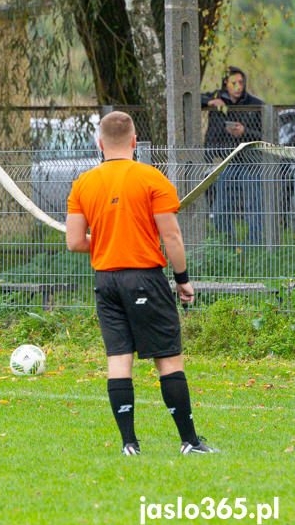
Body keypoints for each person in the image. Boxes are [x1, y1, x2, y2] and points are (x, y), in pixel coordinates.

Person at [66, 111, 218, 456]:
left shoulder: (83, 183)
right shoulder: (152, 178)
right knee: (168, 359)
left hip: (105, 282)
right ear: (134, 141)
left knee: (119, 361)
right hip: (144, 279)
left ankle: (129, 445)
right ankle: (190, 442)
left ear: (100, 143)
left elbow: (75, 241)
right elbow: (172, 237)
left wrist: (108, 238)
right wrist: (183, 281)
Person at [201, 66, 265, 244]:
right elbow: (191, 97)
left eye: (241, 83)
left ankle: (255, 249)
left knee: (254, 208)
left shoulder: (255, 104)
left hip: (251, 164)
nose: (238, 87)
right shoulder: (218, 97)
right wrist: (210, 103)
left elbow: (266, 136)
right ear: (225, 85)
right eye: (233, 83)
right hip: (226, 163)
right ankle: (229, 246)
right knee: (221, 209)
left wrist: (244, 133)